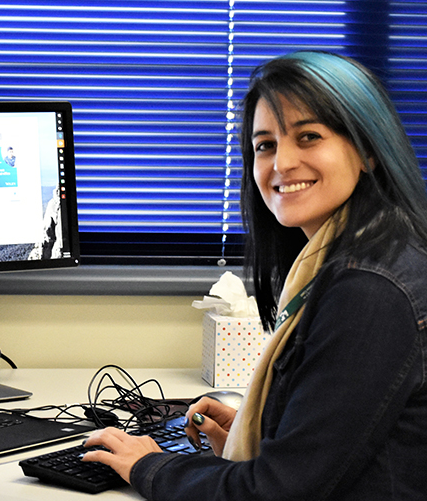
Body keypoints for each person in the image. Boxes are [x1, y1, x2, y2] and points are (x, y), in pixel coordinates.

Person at [82, 51, 427, 500]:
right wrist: (257, 431)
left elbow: (277, 492)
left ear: (367, 150)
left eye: (308, 136)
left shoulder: (369, 290)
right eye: (265, 145)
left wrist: (149, 465)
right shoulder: (363, 254)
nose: (281, 163)